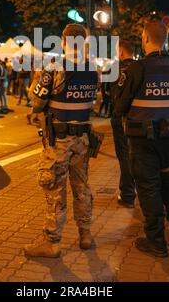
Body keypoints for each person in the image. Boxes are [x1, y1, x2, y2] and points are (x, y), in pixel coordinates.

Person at [115, 20, 169, 257]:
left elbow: (119, 107)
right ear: (165, 40)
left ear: (145, 39)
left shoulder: (137, 69)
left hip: (144, 140)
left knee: (148, 188)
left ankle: (156, 241)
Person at [24, 23, 98, 258]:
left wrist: (34, 82)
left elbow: (37, 103)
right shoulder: (92, 68)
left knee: (55, 190)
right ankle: (85, 234)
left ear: (65, 42)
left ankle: (52, 242)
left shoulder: (55, 67)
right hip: (83, 139)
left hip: (60, 142)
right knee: (81, 187)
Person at [110, 40, 136, 208]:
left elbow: (114, 95)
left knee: (124, 155)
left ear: (121, 52)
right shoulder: (140, 67)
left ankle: (127, 194)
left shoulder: (116, 69)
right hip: (138, 119)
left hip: (121, 118)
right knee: (135, 155)